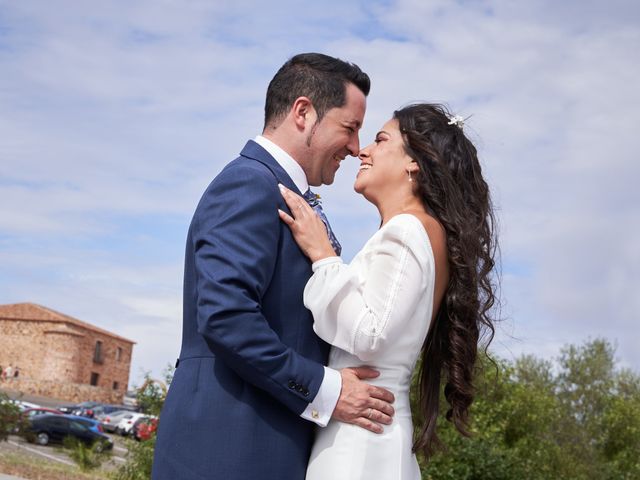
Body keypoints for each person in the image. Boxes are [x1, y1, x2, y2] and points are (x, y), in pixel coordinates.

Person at [152, 53, 396, 480]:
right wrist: (327, 390)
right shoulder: (247, 184)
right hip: (229, 451)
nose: (356, 148)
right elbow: (226, 316)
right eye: (350, 127)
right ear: (303, 112)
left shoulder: (282, 193)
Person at [278, 103, 498, 479]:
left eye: (380, 140)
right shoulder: (421, 232)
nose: (363, 150)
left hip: (360, 444)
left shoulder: (408, 230)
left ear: (414, 162)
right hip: (370, 433)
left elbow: (371, 333)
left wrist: (324, 257)